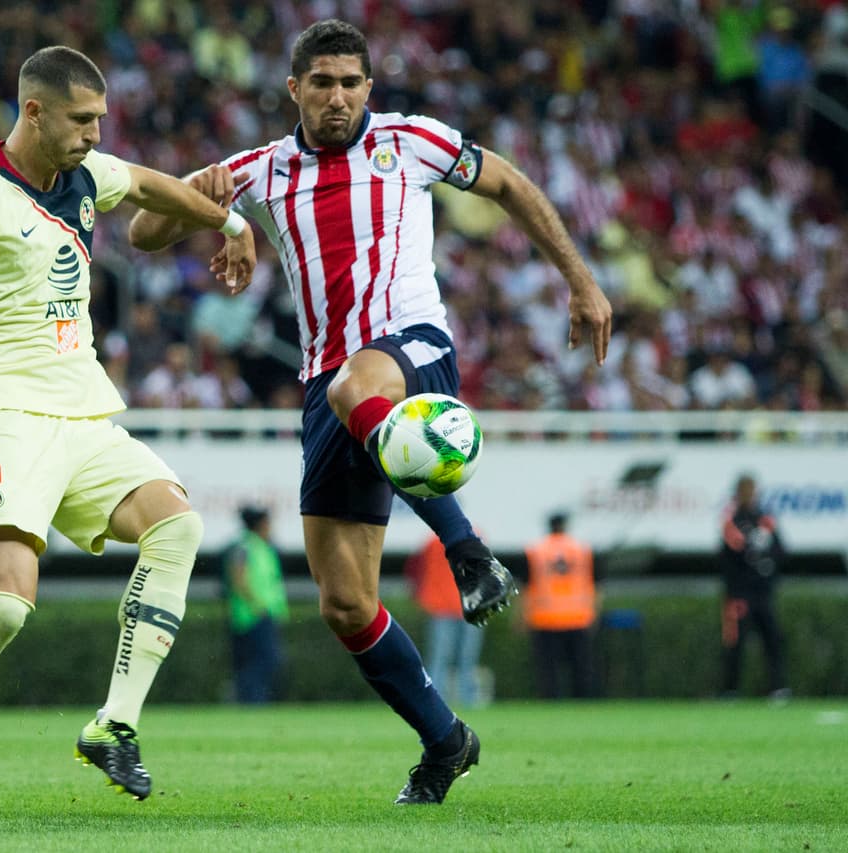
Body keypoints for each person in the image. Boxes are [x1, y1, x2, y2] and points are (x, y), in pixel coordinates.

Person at [129, 19, 612, 805]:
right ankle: (446, 739)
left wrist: (582, 281)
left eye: (352, 82)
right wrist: (219, 211)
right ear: (295, 90)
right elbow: (145, 228)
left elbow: (511, 185)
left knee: (360, 385)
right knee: (345, 600)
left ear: (369, 88)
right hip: (327, 387)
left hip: (408, 349)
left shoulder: (411, 140)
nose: (339, 97)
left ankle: (468, 551)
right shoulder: (263, 166)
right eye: (322, 83)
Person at [0, 45, 256, 813]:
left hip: (83, 410)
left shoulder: (85, 175)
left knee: (178, 525)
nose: (95, 134)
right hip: (0, 415)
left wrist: (229, 219)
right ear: (32, 112)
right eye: (81, 120)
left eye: (100, 119)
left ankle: (114, 725)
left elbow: (145, 184)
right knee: (2, 610)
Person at [720, 474, 788, 699]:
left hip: (762, 592)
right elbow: (731, 554)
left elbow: (780, 550)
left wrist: (768, 567)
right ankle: (731, 689)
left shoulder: (765, 520)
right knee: (735, 642)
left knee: (773, 639)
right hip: (740, 595)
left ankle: (777, 687)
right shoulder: (732, 520)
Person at [523, 513, 597, 699]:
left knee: (548, 670)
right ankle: (583, 702)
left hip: (545, 618)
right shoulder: (581, 549)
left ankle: (551, 701)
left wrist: (523, 616)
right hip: (578, 617)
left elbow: (527, 587)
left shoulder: (537, 550)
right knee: (581, 668)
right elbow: (594, 584)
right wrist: (593, 612)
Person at [404, 535, 483, 708]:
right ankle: (455, 699)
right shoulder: (470, 537)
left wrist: (420, 597)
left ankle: (437, 700)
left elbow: (413, 570)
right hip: (456, 606)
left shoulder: (433, 542)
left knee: (446, 657)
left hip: (455, 606)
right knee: (457, 657)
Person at [222, 504, 289, 704]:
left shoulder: (259, 546)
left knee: (260, 662)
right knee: (260, 662)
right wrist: (257, 605)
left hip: (259, 614)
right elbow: (238, 579)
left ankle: (252, 702)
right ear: (260, 524)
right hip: (253, 616)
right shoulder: (246, 546)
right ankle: (250, 703)